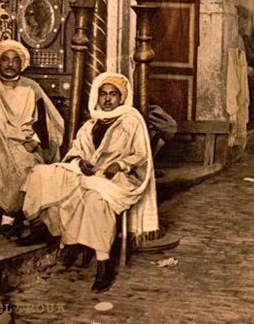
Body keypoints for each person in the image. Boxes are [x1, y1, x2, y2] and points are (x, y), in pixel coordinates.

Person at [22, 72, 158, 292]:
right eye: (103, 94)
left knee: (94, 199)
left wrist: (120, 165)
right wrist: (79, 161)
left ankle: (103, 264)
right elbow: (76, 149)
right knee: (45, 177)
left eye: (113, 94)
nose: (107, 99)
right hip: (89, 176)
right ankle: (66, 240)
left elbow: (141, 155)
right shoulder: (91, 124)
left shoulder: (131, 120)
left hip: (120, 180)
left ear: (121, 98)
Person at [0, 40, 64, 240]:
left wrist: (37, 142)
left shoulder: (31, 88)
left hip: (24, 143)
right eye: (5, 59)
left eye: (15, 60)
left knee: (28, 165)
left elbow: (43, 124)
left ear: (22, 63)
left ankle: (9, 218)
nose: (10, 64)